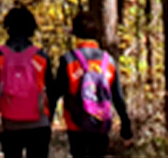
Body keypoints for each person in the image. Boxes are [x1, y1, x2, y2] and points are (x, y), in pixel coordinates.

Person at [52, 12, 133, 158]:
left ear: (75, 34)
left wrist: (46, 121)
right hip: (101, 123)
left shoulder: (69, 60)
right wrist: (126, 127)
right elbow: (118, 98)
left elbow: (55, 93)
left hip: (76, 124)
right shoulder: (108, 62)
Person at [0, 5, 54, 158]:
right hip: (39, 123)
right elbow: (51, 91)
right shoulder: (41, 57)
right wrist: (50, 119)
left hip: (10, 123)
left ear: (8, 27)